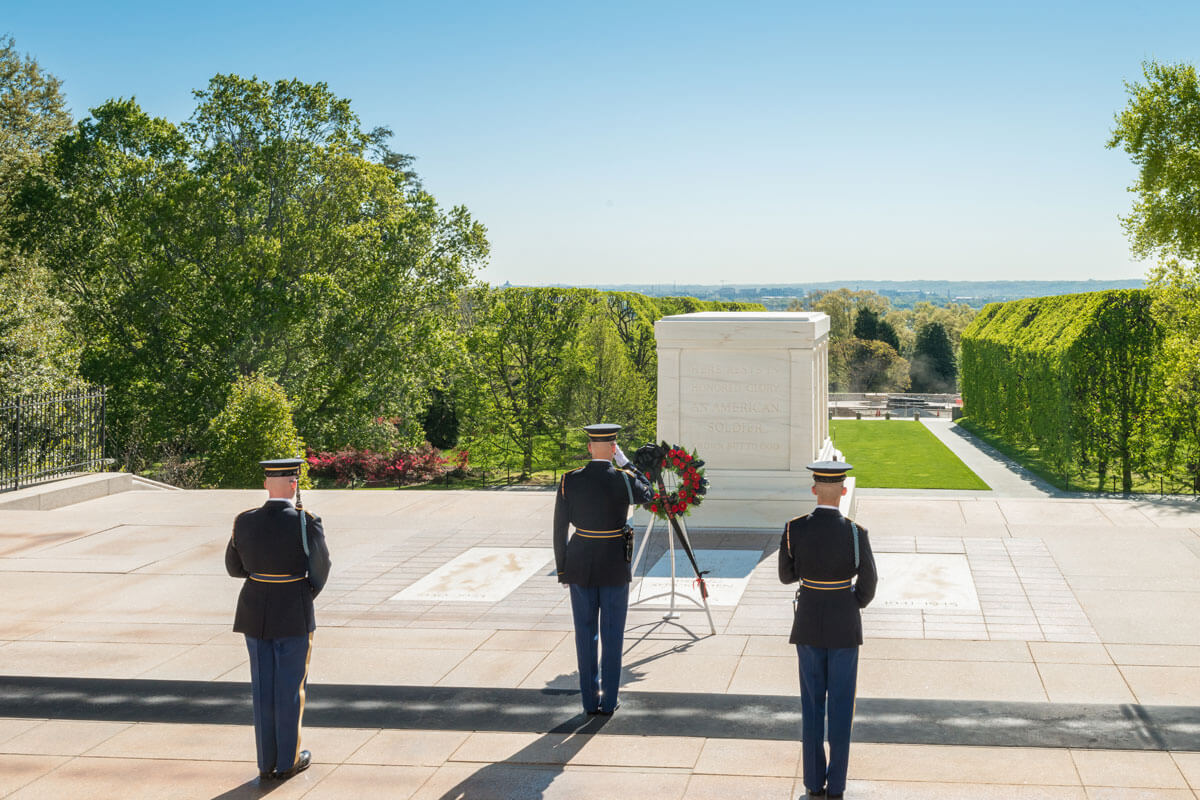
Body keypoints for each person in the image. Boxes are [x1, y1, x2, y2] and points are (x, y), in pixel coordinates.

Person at [225, 458, 331, 782]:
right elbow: (321, 568)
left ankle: (265, 761)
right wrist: (303, 592)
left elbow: (234, 567)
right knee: (290, 688)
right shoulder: (306, 521)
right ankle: (287, 761)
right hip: (293, 610)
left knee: (263, 688)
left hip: (254, 609)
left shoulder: (244, 520)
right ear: (294, 484)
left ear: (267, 485)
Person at [778, 461, 877, 800]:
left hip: (807, 623)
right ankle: (836, 786)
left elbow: (786, 576)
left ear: (814, 489)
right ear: (844, 490)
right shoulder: (854, 532)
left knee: (811, 707)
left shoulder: (794, 529)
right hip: (844, 625)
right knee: (840, 708)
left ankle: (812, 781)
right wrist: (851, 603)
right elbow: (869, 584)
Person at [553, 423, 654, 715]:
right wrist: (626, 463)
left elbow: (559, 529)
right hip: (613, 564)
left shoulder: (569, 480)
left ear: (588, 447)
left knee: (584, 634)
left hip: (580, 562)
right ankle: (609, 701)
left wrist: (563, 570)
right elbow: (648, 492)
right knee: (613, 633)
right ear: (613, 448)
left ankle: (588, 701)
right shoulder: (623, 479)